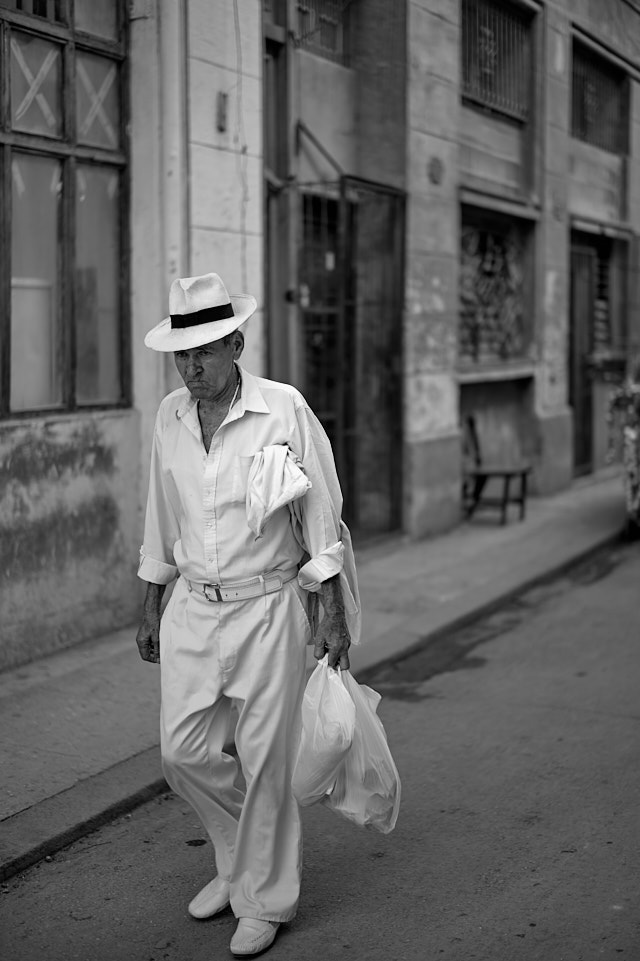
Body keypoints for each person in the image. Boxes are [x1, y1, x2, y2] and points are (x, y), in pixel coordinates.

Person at [136, 272, 360, 957]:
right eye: (182, 352)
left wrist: (330, 610)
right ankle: (237, 857)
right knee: (182, 750)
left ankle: (266, 897)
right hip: (194, 609)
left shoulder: (282, 409)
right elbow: (158, 512)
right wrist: (150, 599)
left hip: (268, 606)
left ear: (236, 342)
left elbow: (320, 512)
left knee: (265, 760)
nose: (191, 365)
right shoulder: (170, 415)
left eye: (204, 350)